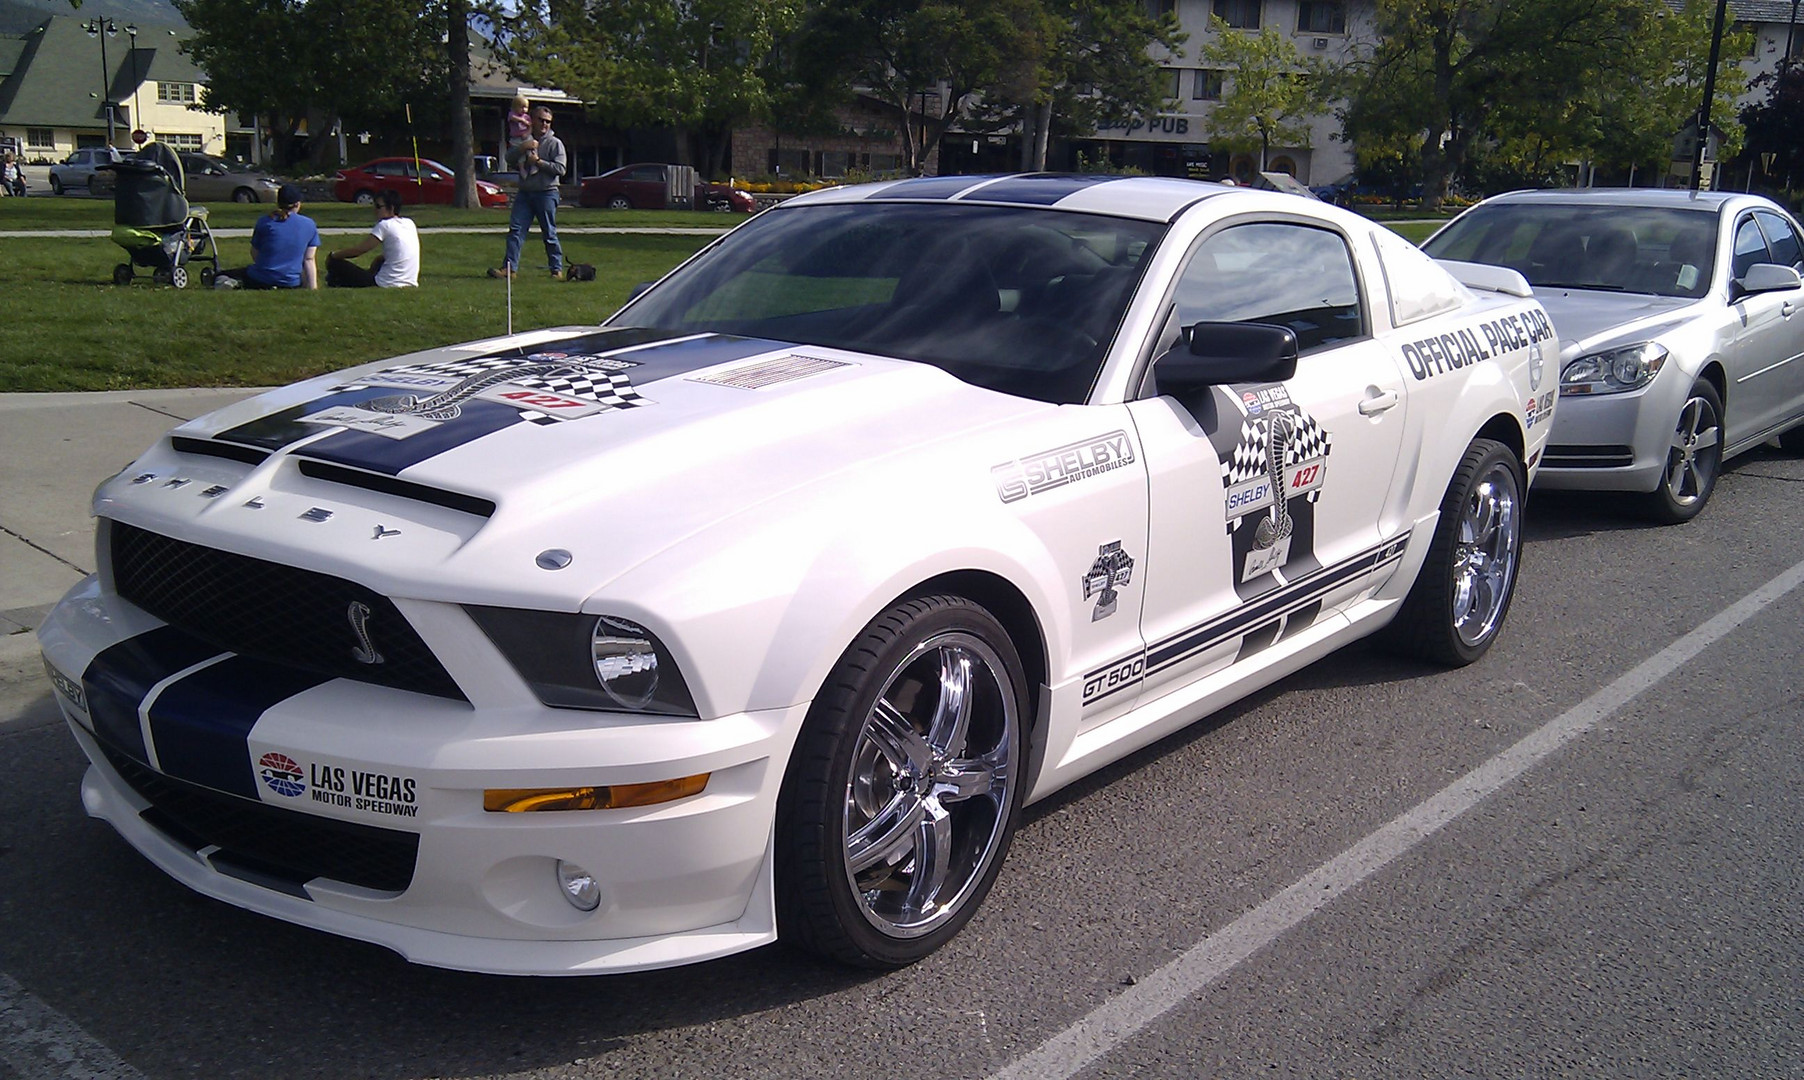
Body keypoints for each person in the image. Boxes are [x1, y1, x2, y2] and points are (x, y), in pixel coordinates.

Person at [489, 104, 566, 280]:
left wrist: (538, 162)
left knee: (549, 232)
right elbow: (509, 158)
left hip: (547, 192)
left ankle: (556, 269)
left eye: (548, 121)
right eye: (541, 120)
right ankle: (509, 269)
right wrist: (523, 148)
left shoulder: (555, 144)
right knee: (516, 230)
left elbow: (561, 169)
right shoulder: (523, 138)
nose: (545, 124)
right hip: (525, 193)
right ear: (532, 119)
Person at [215, 183, 320, 289]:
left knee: (222, 275)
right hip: (291, 282)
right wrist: (312, 287)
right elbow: (309, 259)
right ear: (297, 204)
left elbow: (255, 253)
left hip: (261, 279)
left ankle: (231, 283)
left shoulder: (265, 221)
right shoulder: (309, 224)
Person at [326, 188, 419, 288]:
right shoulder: (409, 223)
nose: (375, 210)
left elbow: (359, 250)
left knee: (335, 263)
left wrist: (334, 255)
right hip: (409, 281)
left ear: (391, 208)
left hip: (386, 283)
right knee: (379, 260)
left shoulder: (384, 225)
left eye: (378, 206)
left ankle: (334, 281)